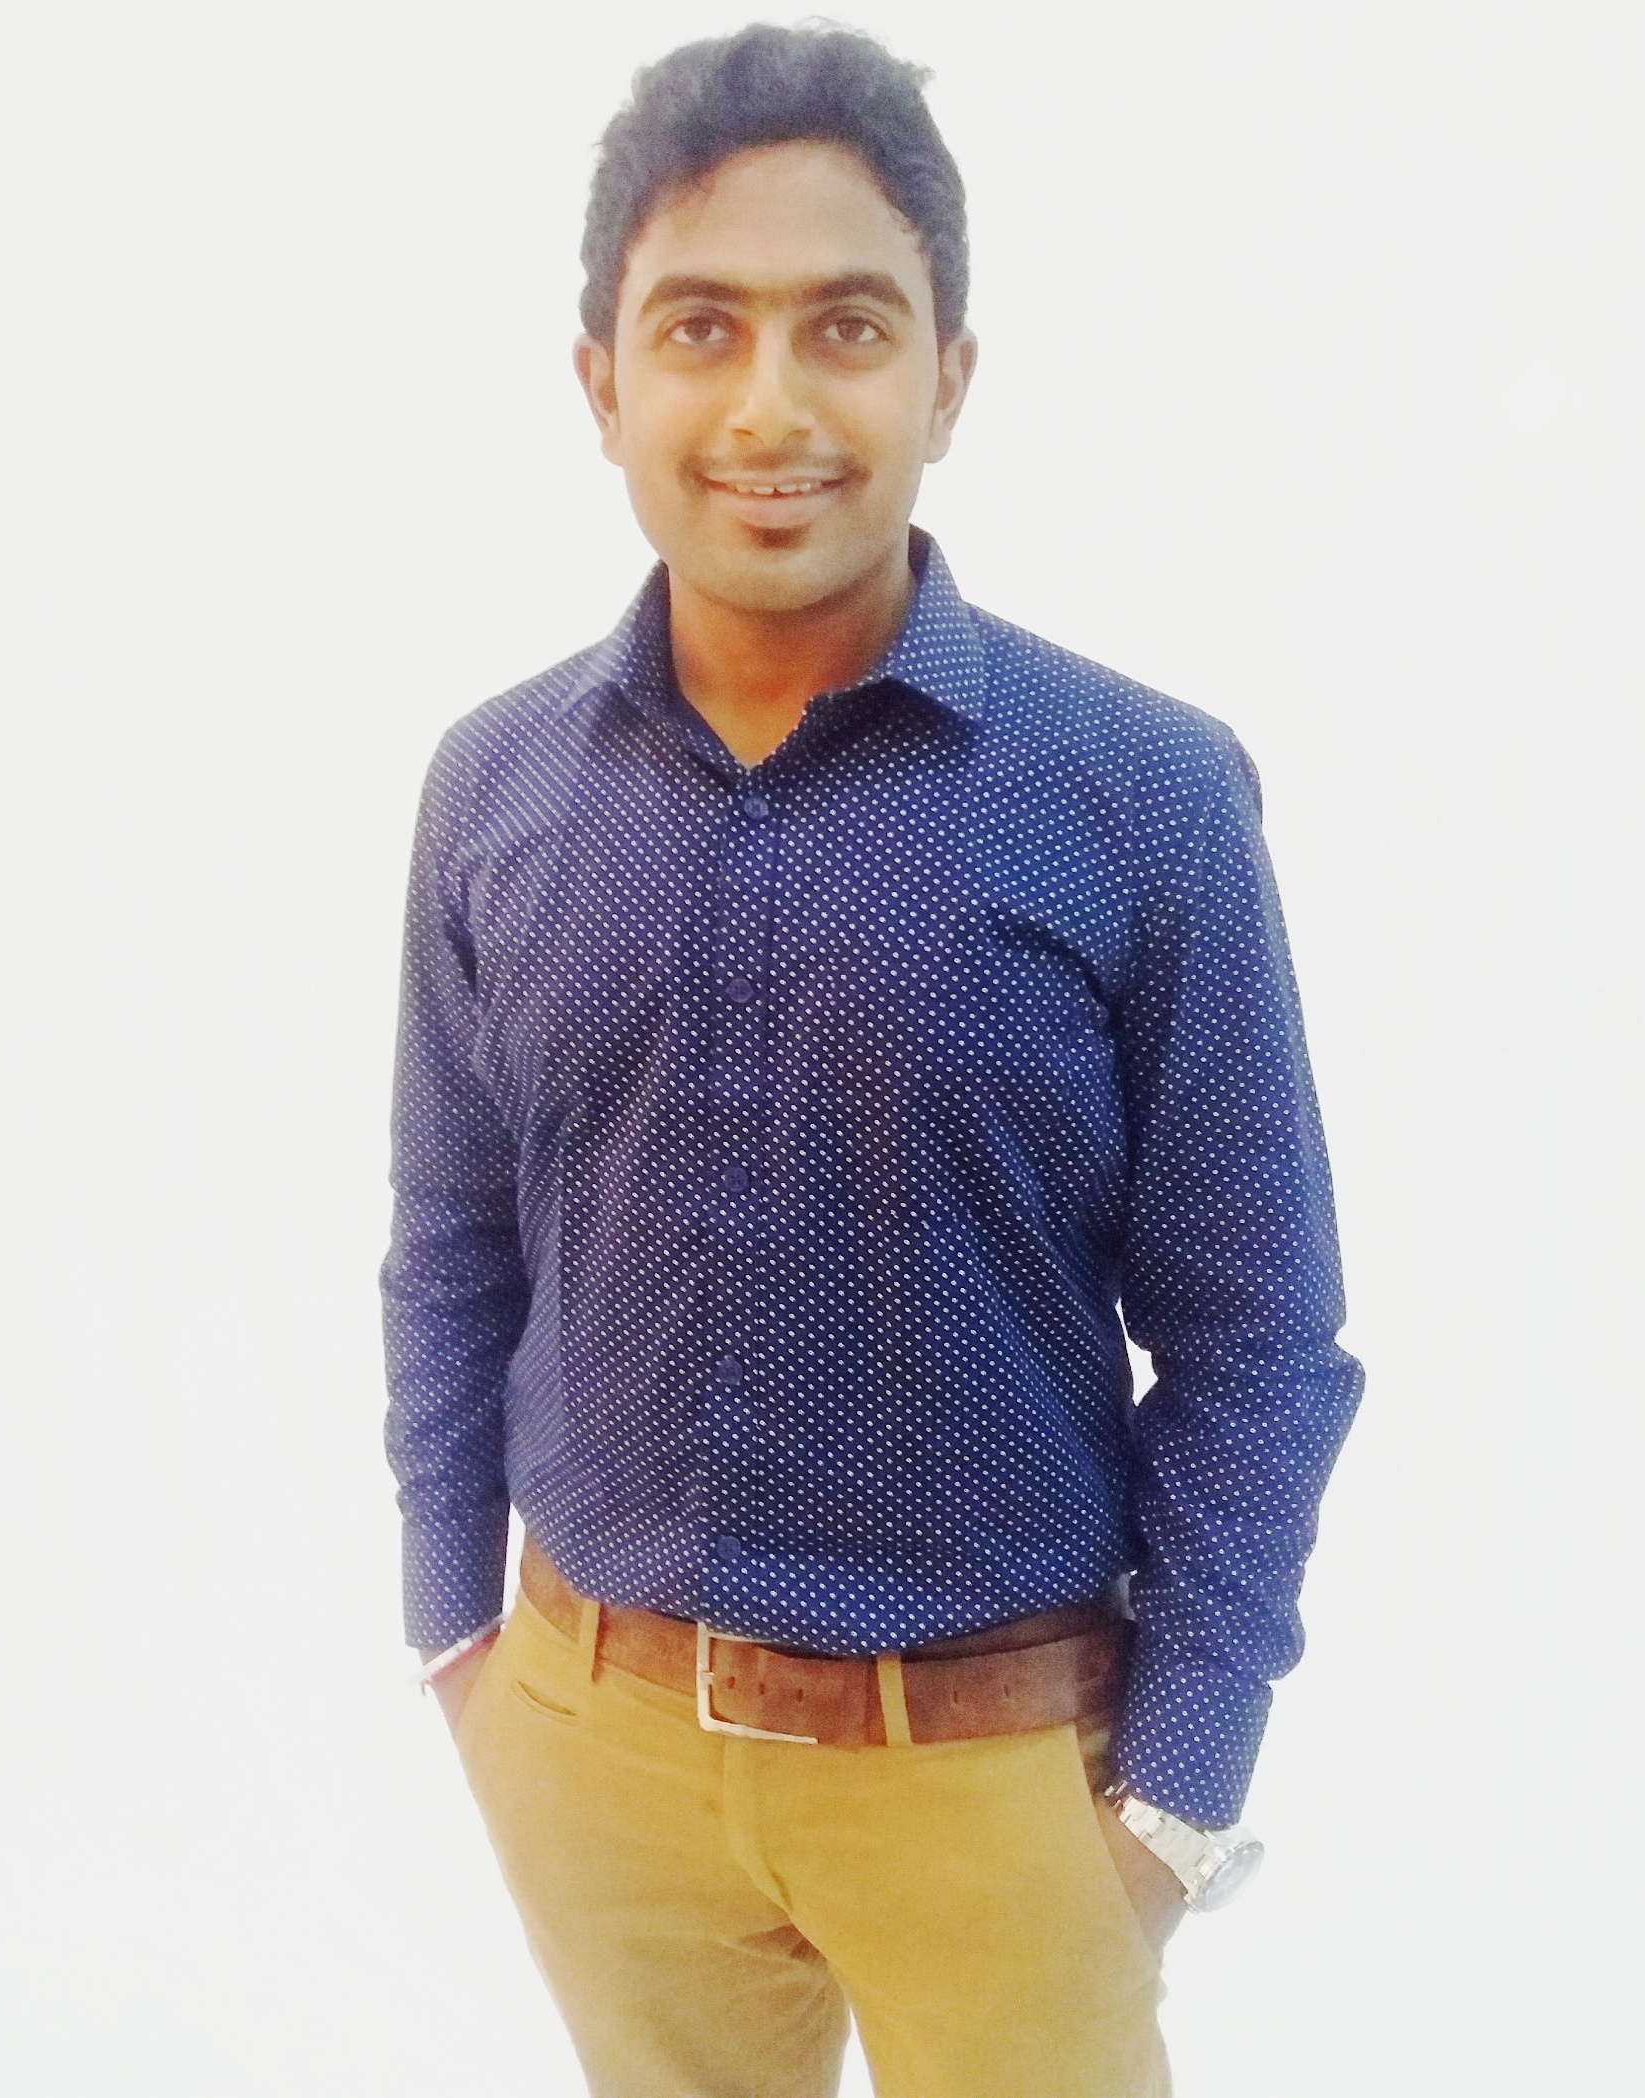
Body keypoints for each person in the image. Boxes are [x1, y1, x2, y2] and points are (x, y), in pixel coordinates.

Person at [381, 23, 1362, 2097]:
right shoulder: (493, 788)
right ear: (602, 386)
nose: (769, 403)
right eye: (700, 327)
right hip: (596, 1754)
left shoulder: (1145, 799)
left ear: (948, 376)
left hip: (998, 1782)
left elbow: (1259, 1337)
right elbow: (453, 1243)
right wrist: (457, 1638)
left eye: (845, 325)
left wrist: (1174, 1803)